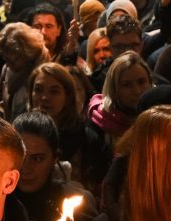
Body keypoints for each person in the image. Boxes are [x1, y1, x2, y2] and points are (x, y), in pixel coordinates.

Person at [26, 62, 109, 194]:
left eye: (54, 91)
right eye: (38, 89)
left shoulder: (87, 138)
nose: (44, 97)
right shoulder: (21, 133)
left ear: (68, 96)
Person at [11, 112, 95, 221]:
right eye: (20, 157)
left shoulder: (76, 204)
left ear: (54, 159)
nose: (26, 168)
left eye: (37, 159)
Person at [87, 51, 152, 147]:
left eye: (141, 82)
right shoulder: (98, 126)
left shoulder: (160, 116)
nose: (137, 91)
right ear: (113, 89)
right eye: (126, 85)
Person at [0, 22, 48, 120]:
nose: (10, 65)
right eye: (6, 59)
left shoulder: (43, 73)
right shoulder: (6, 69)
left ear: (28, 54)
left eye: (15, 60)